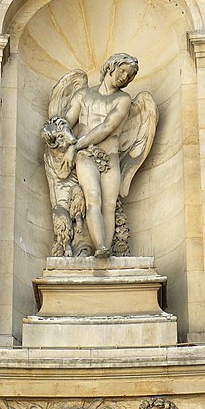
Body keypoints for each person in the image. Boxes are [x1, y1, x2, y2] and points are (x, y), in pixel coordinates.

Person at [62, 53, 139, 257]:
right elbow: (67, 122)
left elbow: (107, 127)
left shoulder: (123, 99)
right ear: (110, 67)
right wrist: (58, 134)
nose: (124, 77)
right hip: (86, 155)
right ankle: (101, 247)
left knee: (110, 205)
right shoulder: (83, 95)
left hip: (109, 156)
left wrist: (75, 146)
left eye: (129, 76)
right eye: (122, 70)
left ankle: (106, 248)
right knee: (93, 197)